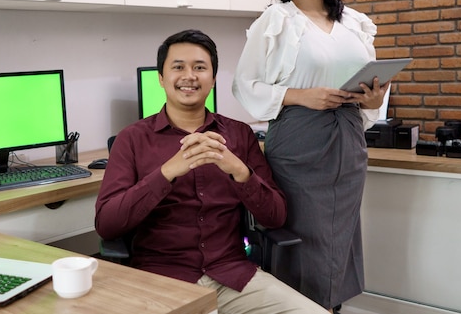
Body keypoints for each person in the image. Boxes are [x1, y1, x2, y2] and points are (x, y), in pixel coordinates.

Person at [95, 29, 327, 314]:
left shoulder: (239, 135)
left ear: (213, 79)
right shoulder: (131, 139)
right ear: (161, 78)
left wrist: (240, 171)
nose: (189, 76)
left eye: (200, 68)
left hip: (233, 276)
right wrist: (167, 171)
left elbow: (275, 216)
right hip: (162, 280)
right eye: (178, 67)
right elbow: (107, 224)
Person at [232, 0, 387, 312]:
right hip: (299, 141)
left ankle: (330, 308)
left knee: (340, 236)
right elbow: (243, 84)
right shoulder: (276, 20)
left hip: (349, 138)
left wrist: (372, 102)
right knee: (301, 237)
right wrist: (302, 96)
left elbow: (371, 90)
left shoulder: (353, 22)